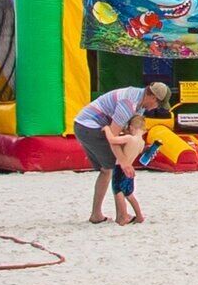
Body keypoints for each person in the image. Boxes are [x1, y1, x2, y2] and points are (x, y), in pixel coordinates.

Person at [67, 81, 172, 224]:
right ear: (153, 98)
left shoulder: (139, 104)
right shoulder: (129, 104)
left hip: (86, 125)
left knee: (108, 169)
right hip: (88, 126)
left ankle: (98, 214)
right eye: (159, 104)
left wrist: (142, 149)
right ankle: (119, 215)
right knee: (112, 167)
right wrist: (124, 162)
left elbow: (126, 135)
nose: (157, 108)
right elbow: (114, 138)